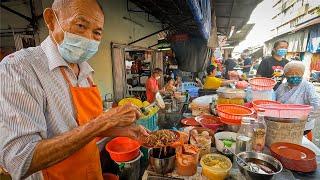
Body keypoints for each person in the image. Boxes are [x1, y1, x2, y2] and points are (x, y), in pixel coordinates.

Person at [0, 1, 149, 179]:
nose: (88, 38)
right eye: (80, 26)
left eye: (97, 32)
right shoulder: (19, 68)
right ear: (50, 20)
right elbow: (20, 160)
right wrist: (103, 121)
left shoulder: (85, 72)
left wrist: (124, 131)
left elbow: (84, 126)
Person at [276, 61, 320, 141]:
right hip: (282, 122)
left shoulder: (308, 87)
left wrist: (305, 116)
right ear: (285, 75)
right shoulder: (282, 87)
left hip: (301, 125)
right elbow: (274, 101)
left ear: (302, 74)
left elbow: (318, 106)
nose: (294, 76)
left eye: (297, 74)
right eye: (291, 74)